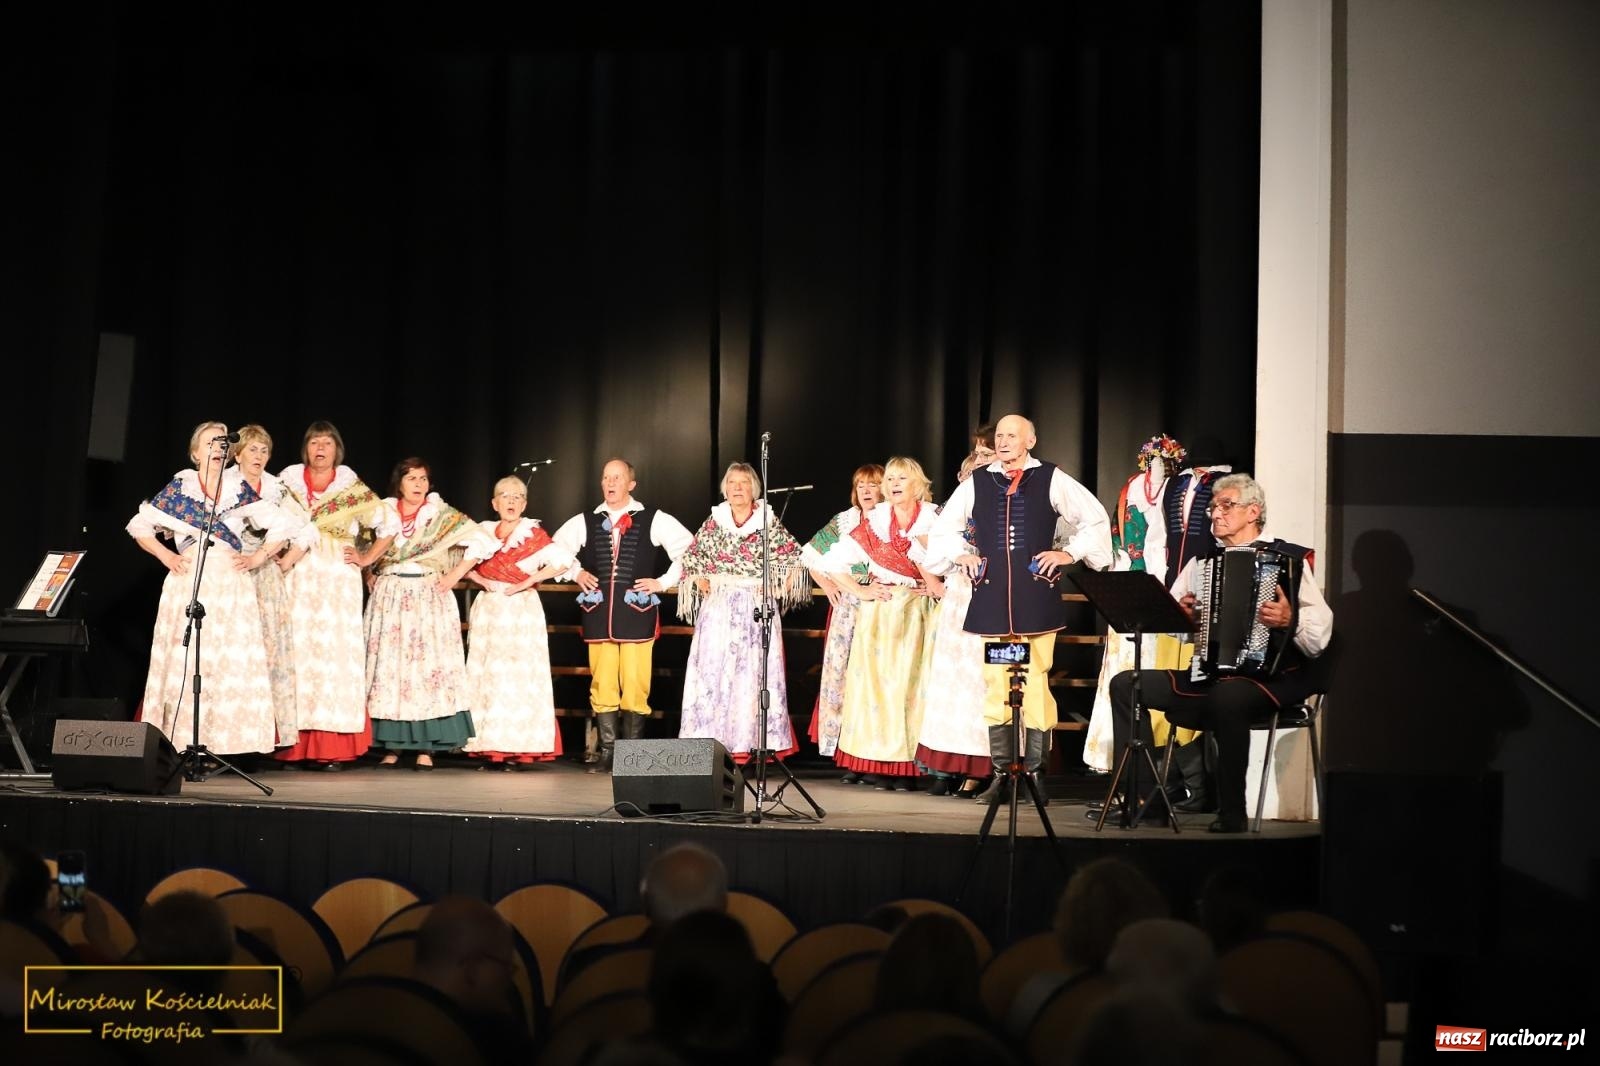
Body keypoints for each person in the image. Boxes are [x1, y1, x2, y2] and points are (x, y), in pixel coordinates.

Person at [1107, 473, 1333, 832]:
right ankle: (1146, 801)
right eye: (1213, 507)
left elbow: (1319, 637)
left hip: (1275, 676)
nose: (1215, 513)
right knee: (1126, 684)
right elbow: (1175, 623)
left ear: (1253, 512)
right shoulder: (1202, 562)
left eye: (1226, 506)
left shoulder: (1288, 559)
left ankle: (1232, 812)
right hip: (1213, 675)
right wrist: (1184, 618)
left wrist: (1290, 619)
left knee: (1228, 696)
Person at [927, 414, 1113, 804]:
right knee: (997, 684)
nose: (1004, 441)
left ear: (1031, 440)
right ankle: (1002, 774)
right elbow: (944, 529)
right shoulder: (980, 481)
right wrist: (962, 555)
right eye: (1000, 436)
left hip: (1035, 600)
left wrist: (1069, 552)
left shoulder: (1050, 478)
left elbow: (1094, 519)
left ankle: (1033, 774)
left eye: (1013, 435)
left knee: (1034, 683)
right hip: (992, 601)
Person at [126, 420, 290, 756]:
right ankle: (181, 739)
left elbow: (284, 525)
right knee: (188, 658)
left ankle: (223, 743)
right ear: (196, 452)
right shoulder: (180, 489)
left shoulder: (239, 489)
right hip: (190, 580)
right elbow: (140, 525)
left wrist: (258, 557)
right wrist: (165, 555)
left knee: (225, 662)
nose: (217, 448)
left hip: (230, 585)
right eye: (209, 443)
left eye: (222, 443)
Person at [550, 458, 694, 773]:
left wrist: (662, 582)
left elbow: (689, 550)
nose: (610, 482)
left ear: (631, 484)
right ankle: (608, 753)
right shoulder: (586, 520)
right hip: (598, 612)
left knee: (635, 683)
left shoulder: (653, 518)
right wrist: (576, 572)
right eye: (605, 477)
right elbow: (554, 549)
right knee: (602, 684)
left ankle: (631, 758)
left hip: (637, 613)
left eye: (617, 477)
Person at [808, 457, 940, 790]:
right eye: (890, 479)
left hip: (919, 614)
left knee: (912, 689)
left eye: (901, 479)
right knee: (877, 690)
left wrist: (938, 585)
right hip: (881, 614)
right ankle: (877, 764)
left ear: (917, 485)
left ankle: (911, 766)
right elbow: (832, 562)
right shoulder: (874, 523)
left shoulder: (933, 517)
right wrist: (860, 589)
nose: (893, 485)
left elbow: (950, 561)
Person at [365, 458, 497, 770]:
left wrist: (455, 575)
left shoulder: (439, 514)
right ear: (399, 483)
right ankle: (392, 746)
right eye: (412, 479)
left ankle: (426, 747)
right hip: (391, 597)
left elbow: (481, 541)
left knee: (427, 673)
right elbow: (359, 543)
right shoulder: (382, 512)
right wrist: (367, 571)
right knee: (391, 672)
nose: (418, 485)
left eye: (423, 479)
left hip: (427, 597)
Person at [676, 462, 810, 762]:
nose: (737, 488)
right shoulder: (716, 520)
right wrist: (699, 578)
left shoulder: (768, 522)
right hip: (720, 607)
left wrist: (776, 587)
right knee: (712, 672)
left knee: (752, 674)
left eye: (743, 483)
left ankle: (748, 743)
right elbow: (693, 557)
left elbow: (796, 559)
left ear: (754, 489)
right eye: (732, 483)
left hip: (755, 606)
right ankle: (708, 742)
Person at [273, 422, 387, 769]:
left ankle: (330, 748)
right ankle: (291, 745)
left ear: (337, 449)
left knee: (333, 659)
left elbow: (388, 526)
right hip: (297, 574)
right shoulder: (286, 484)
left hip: (337, 579)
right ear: (305, 448)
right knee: (297, 654)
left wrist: (367, 557)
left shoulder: (350, 488)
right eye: (314, 442)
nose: (320, 448)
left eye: (327, 443)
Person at [1084, 435, 1192, 778]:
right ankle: (1121, 763)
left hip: (1166, 589)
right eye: (1153, 459)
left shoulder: (1181, 494)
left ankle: (1165, 769)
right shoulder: (1131, 488)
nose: (1157, 467)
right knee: (1124, 676)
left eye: (1164, 460)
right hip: (1133, 584)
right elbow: (1121, 537)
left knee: (1158, 675)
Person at [461, 476, 576, 769]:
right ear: (494, 503)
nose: (510, 502)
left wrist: (529, 580)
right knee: (488, 674)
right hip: (490, 609)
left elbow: (562, 561)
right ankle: (487, 746)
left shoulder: (533, 534)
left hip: (521, 610)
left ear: (524, 504)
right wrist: (479, 579)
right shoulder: (483, 533)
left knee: (517, 677)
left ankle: (517, 748)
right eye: (505, 496)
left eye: (517, 497)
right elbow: (458, 562)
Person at [913, 428, 998, 797]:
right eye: (976, 454)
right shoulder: (965, 495)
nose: (979, 459)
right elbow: (928, 543)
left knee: (982, 683)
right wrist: (940, 576)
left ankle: (982, 768)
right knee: (953, 685)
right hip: (961, 594)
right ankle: (950, 765)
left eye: (986, 452)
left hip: (994, 593)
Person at [801, 463, 883, 779]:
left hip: (880, 604)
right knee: (844, 678)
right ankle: (849, 756)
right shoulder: (845, 521)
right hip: (848, 605)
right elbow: (809, 555)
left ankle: (874, 757)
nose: (865, 490)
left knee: (873, 679)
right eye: (860, 484)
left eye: (872, 484)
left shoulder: (890, 520)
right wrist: (828, 583)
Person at [230, 425, 305, 753]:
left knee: (267, 654)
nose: (258, 456)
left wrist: (280, 560)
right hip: (231, 572)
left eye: (264, 450)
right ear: (238, 453)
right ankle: (227, 732)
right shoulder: (226, 483)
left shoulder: (276, 489)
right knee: (235, 653)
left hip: (264, 579)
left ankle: (259, 737)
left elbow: (304, 530)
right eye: (252, 449)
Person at [413, 896, 536, 1058]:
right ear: (472, 968)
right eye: (506, 966)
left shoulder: (378, 1013)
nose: (509, 978)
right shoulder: (497, 1041)